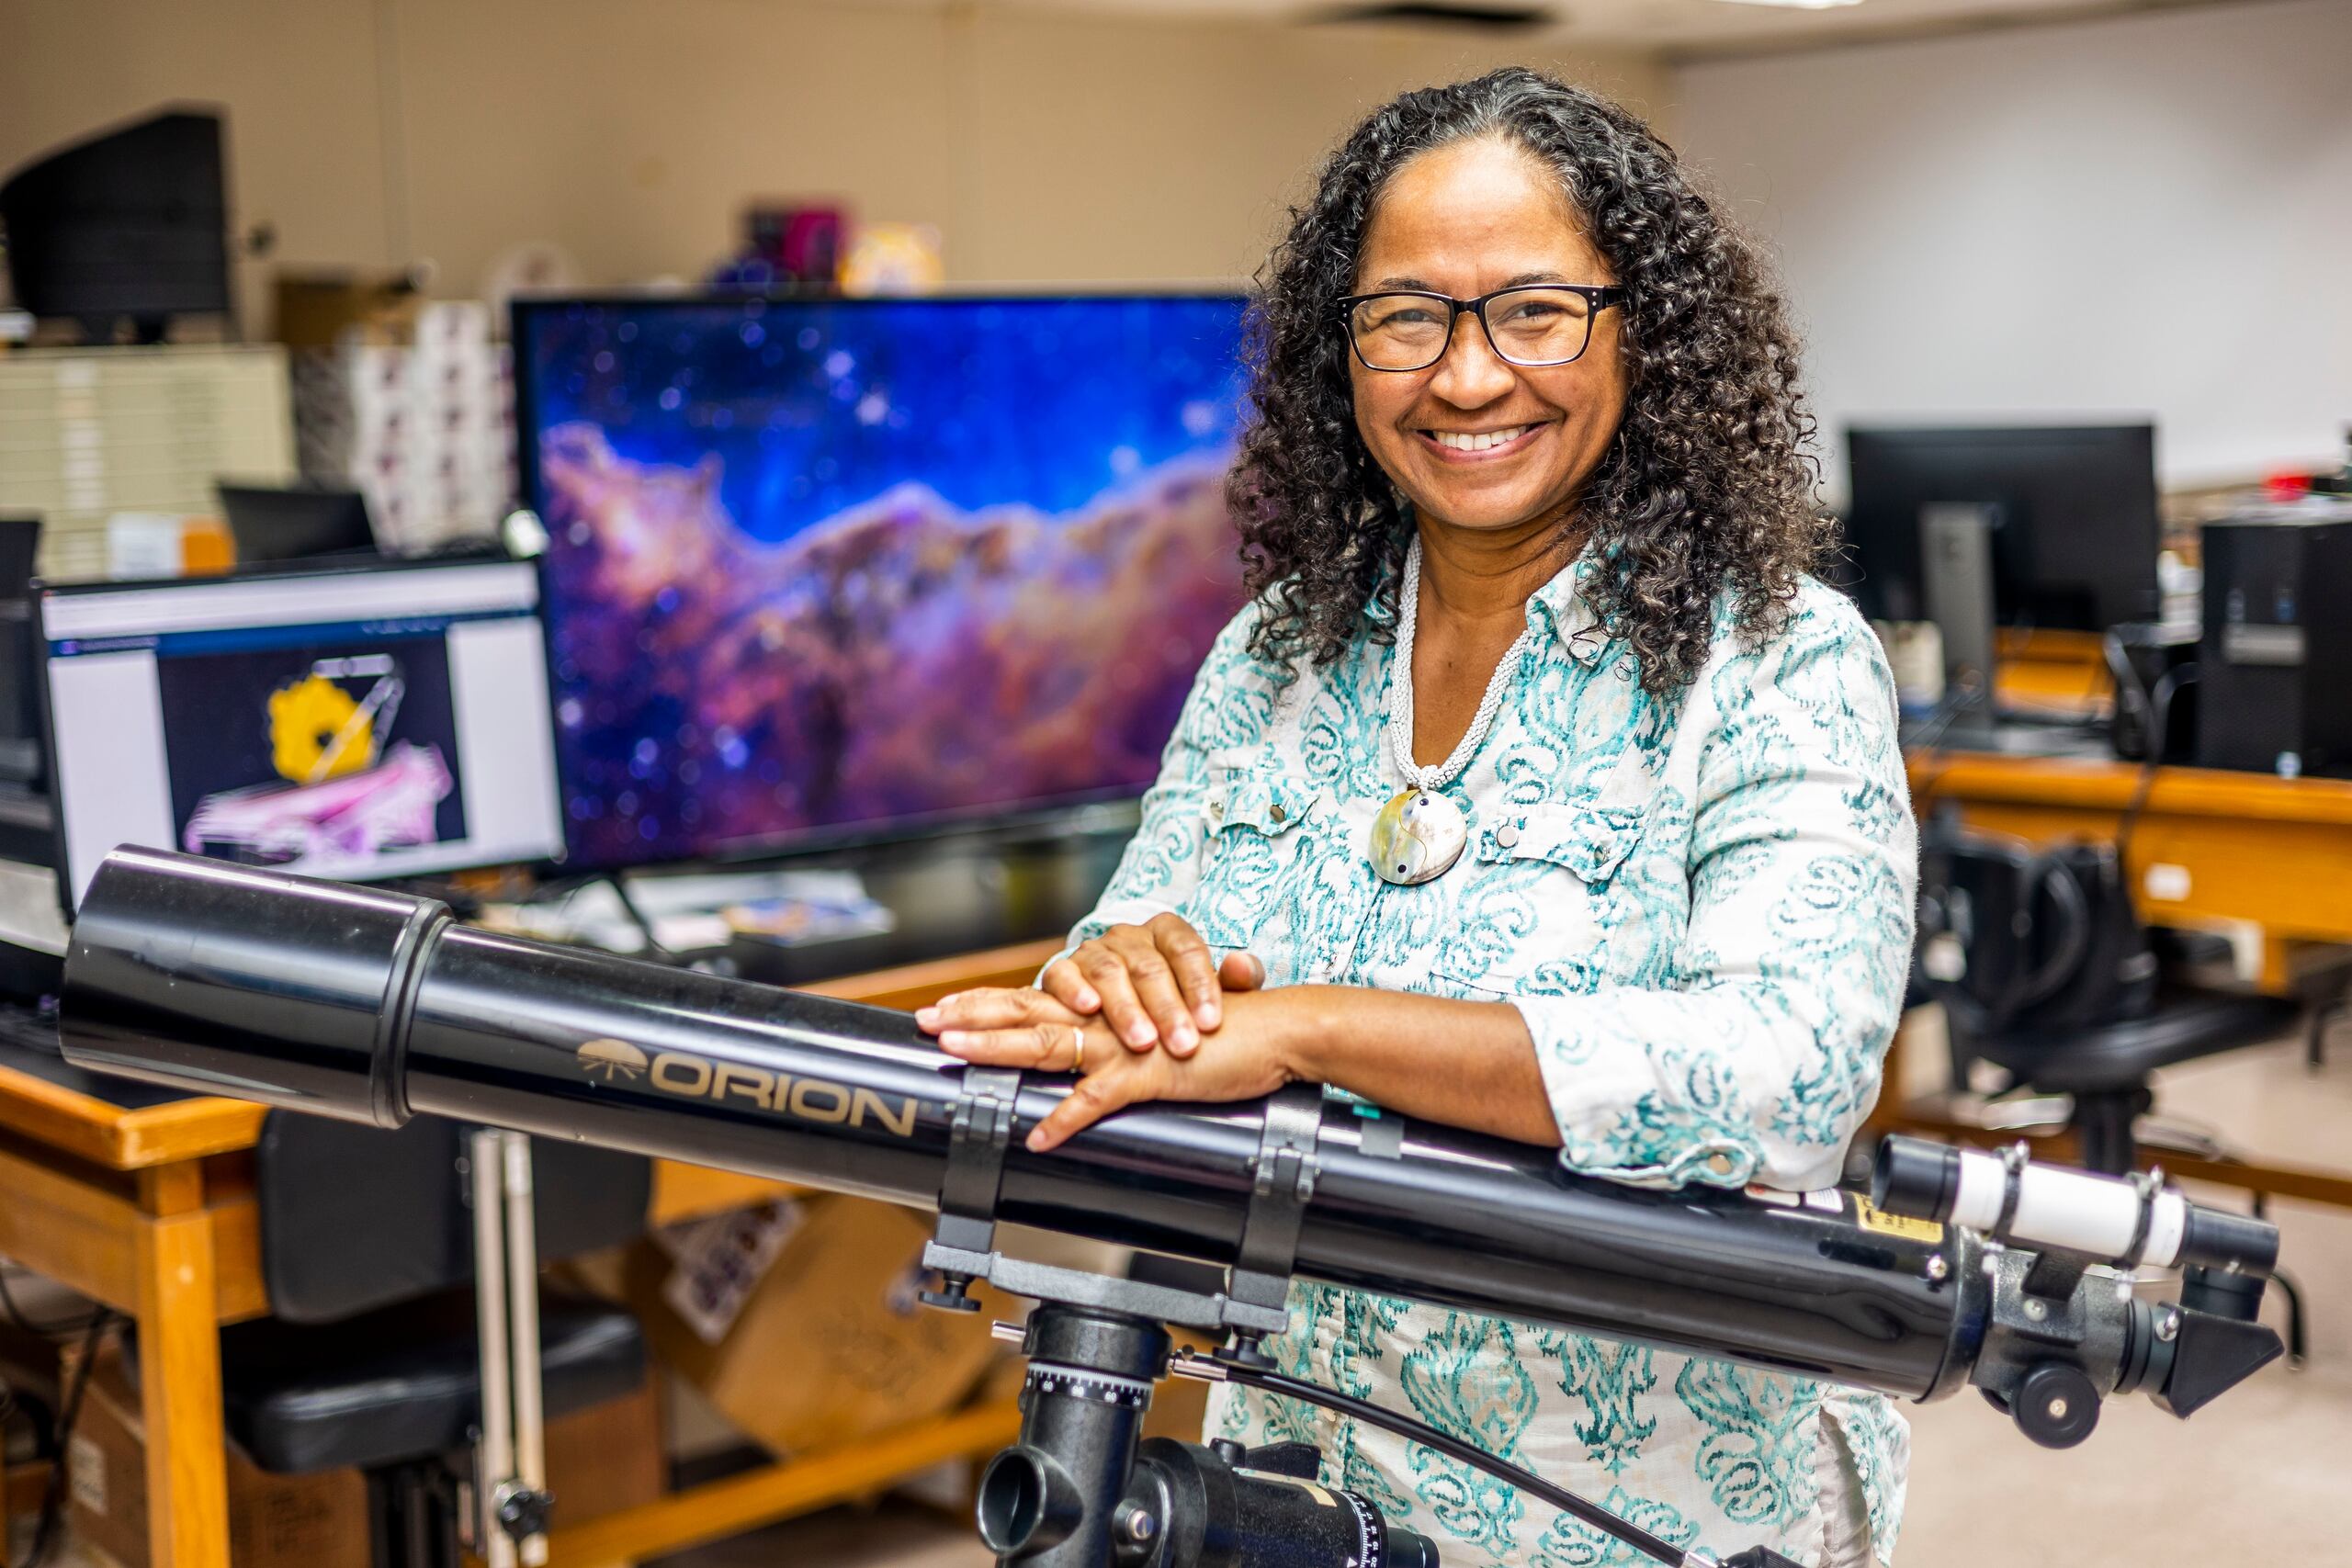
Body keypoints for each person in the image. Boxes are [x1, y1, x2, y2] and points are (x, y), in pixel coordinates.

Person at [917, 67, 1916, 1568]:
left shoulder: (1777, 657)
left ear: (1641, 329)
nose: (1464, 378)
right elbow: (1140, 934)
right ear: (1346, 352)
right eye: (1408, 317)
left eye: (1533, 310)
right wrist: (1113, 974)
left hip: (1645, 1504)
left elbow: (1783, 1074)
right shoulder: (1276, 654)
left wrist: (1315, 1027)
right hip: (1291, 1481)